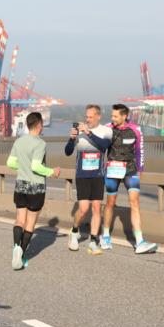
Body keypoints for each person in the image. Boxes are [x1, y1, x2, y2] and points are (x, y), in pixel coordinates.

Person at [6, 112, 60, 270]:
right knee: (30, 222)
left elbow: (10, 163)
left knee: (19, 220)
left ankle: (16, 247)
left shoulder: (19, 141)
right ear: (39, 125)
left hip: (21, 184)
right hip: (36, 186)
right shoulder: (40, 143)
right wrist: (52, 172)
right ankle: (21, 255)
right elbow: (36, 166)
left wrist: (23, 168)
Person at [102, 104, 158, 254]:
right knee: (110, 203)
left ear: (124, 116)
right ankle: (105, 236)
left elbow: (140, 151)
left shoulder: (136, 129)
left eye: (115, 116)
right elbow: (99, 145)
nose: (112, 118)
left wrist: (140, 170)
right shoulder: (107, 128)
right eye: (112, 115)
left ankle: (139, 242)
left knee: (135, 203)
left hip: (130, 170)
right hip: (112, 170)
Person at [64, 105, 113, 255]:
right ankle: (74, 231)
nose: (88, 119)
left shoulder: (106, 131)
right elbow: (67, 152)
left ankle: (92, 242)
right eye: (86, 117)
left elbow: (104, 146)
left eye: (91, 117)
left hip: (98, 175)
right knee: (84, 209)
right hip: (82, 175)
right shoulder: (79, 132)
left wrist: (88, 132)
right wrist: (72, 139)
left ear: (98, 116)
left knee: (97, 208)